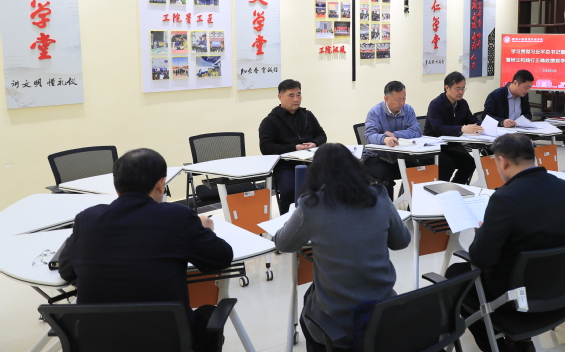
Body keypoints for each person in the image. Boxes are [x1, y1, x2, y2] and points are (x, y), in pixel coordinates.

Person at [58, 148, 233, 352]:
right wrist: (204, 229)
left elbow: (66, 271)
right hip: (169, 344)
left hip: (96, 344)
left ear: (116, 186)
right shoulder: (178, 217)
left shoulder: (86, 219)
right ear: (161, 184)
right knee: (207, 313)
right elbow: (221, 258)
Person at [445, 133, 565, 352]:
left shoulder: (504, 199)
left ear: (502, 161)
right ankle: (519, 342)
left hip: (517, 296)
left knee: (455, 275)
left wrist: (481, 234)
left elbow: (481, 259)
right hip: (564, 288)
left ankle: (502, 347)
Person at [274, 144, 411, 352]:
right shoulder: (379, 195)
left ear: (316, 172)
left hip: (336, 322)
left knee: (308, 304)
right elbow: (401, 241)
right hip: (382, 311)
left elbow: (283, 244)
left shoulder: (310, 205)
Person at [259, 79, 327, 214]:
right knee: (289, 189)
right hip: (285, 166)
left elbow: (321, 135)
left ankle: (322, 217)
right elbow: (266, 148)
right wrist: (294, 148)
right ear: (280, 97)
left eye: (299, 94)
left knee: (330, 183)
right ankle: (288, 221)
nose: (296, 99)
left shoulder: (307, 115)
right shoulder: (270, 121)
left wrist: (315, 143)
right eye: (291, 95)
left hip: (312, 162)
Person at [362, 81, 425, 191]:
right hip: (376, 157)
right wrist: (385, 139)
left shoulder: (408, 110)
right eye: (398, 99)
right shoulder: (375, 112)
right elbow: (370, 136)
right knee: (384, 176)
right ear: (386, 99)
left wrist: (395, 135)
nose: (402, 103)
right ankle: (388, 202)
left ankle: (410, 202)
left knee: (420, 171)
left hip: (401, 156)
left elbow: (416, 131)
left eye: (404, 98)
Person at [424, 71, 483, 184]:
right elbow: (438, 129)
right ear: (447, 88)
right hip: (434, 147)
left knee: (470, 163)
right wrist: (461, 129)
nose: (461, 92)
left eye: (463, 88)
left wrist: (484, 126)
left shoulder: (462, 103)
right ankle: (440, 191)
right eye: (457, 89)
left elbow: (471, 120)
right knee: (447, 164)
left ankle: (455, 188)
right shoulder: (436, 104)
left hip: (452, 146)